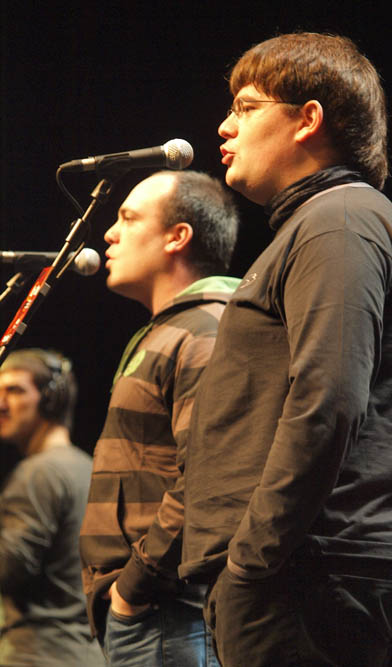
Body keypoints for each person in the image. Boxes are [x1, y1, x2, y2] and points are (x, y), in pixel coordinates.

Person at [179, 32, 392, 667]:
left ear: (308, 120)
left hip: (305, 573)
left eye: (246, 107)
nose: (225, 127)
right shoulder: (324, 223)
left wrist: (251, 559)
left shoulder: (338, 221)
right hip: (297, 570)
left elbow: (328, 400)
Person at [79, 169, 239, 666]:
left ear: (177, 236)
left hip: (167, 612)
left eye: (128, 218)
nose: (110, 233)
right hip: (150, 613)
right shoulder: (172, 330)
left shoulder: (205, 331)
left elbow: (209, 480)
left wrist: (136, 586)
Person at [0, 347, 105, 666]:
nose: (1, 404)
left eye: (14, 390)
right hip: (85, 652)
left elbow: (7, 568)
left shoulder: (39, 473)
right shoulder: (88, 467)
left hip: (38, 653)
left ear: (51, 400)